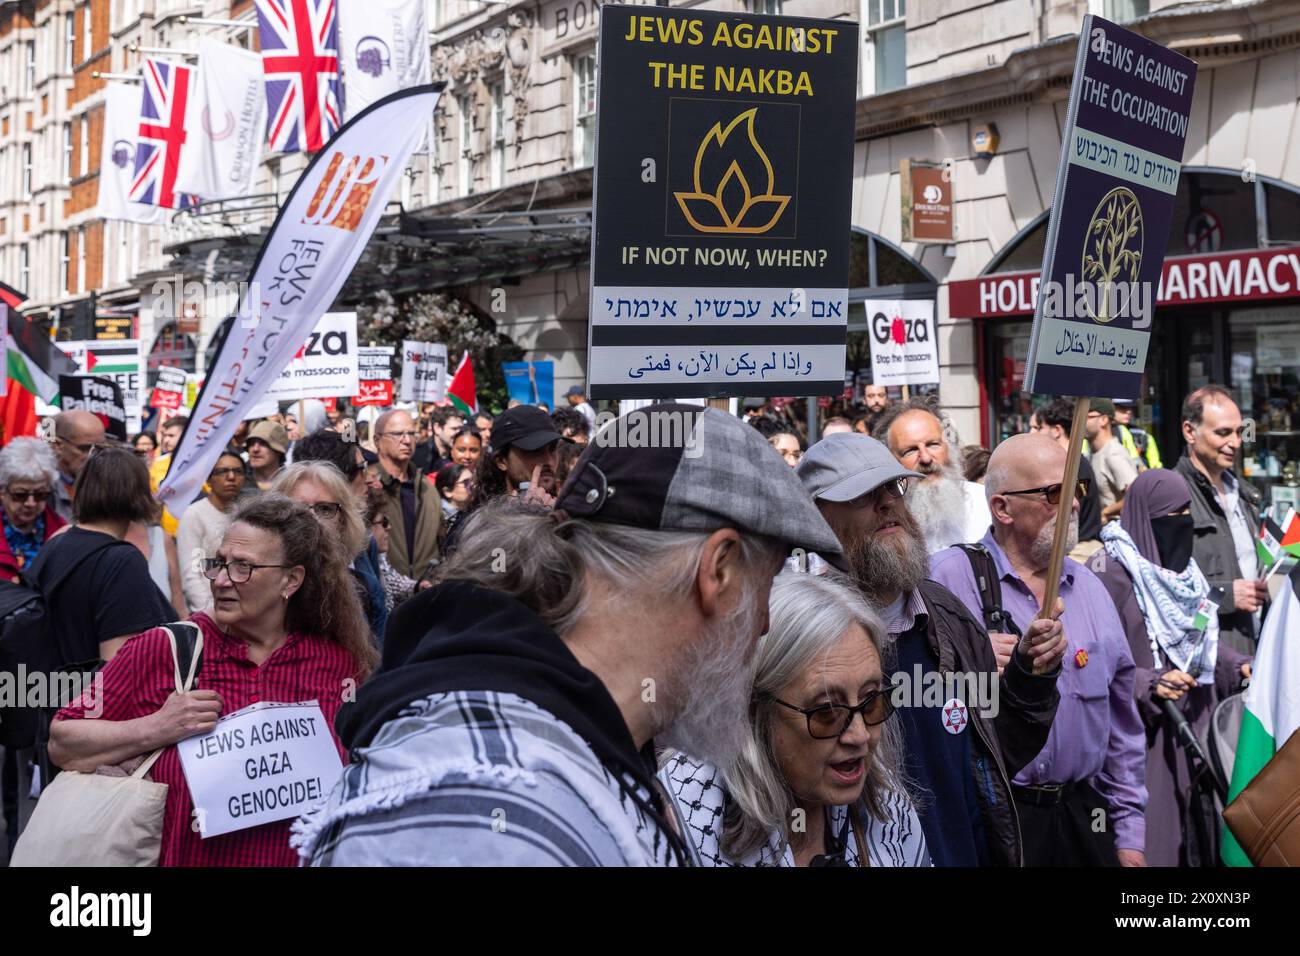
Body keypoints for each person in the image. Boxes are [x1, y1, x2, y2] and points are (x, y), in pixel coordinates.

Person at [296, 403, 845, 866]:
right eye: (766, 585)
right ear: (718, 571)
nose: (766, 624)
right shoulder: (488, 808)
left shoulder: (572, 748)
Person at [48, 494, 373, 867]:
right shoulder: (165, 649)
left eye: (242, 568)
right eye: (219, 563)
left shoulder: (336, 663)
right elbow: (63, 740)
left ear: (291, 580)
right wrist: (156, 727)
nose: (220, 580)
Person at [795, 433, 1063, 866]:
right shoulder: (803, 638)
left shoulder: (945, 616)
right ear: (818, 521)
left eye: (892, 487)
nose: (887, 504)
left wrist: (1030, 675)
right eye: (863, 495)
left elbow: (1000, 750)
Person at [930, 434, 1148, 867]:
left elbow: (1122, 728)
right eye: (1053, 492)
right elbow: (909, 700)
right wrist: (968, 664)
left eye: (1076, 490)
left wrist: (1129, 837)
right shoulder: (947, 581)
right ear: (1003, 508)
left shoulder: (1090, 589)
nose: (1071, 504)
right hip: (998, 819)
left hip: (1085, 819)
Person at [660, 572, 929, 866]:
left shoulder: (886, 803)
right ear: (754, 710)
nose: (860, 735)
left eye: (870, 702)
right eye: (827, 711)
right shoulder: (676, 826)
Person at [1095, 469, 1251, 866]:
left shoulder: (1187, 575)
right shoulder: (1111, 575)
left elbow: (1201, 640)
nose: (1182, 524)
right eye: (1172, 515)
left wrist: (1240, 665)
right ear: (1147, 519)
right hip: (1146, 736)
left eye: (1187, 513)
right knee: (1159, 844)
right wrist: (1149, 683)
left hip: (1195, 723)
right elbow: (1098, 661)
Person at [1174, 386, 1264, 655]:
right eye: (1223, 433)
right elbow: (1162, 592)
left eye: (1239, 432)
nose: (1235, 442)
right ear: (1190, 431)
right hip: (1210, 655)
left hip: (1256, 645)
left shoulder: (1245, 494)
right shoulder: (1173, 497)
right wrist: (1224, 597)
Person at [272, 462, 386, 646]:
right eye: (298, 510)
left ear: (343, 520)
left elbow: (380, 665)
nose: (312, 518)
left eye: (325, 509)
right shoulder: (256, 583)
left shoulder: (366, 588)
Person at [874, 398, 993, 553]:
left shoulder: (985, 502)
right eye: (910, 450)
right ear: (891, 461)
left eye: (933, 444)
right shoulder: (884, 523)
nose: (925, 458)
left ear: (950, 447)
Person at [1030, 398, 1104, 561]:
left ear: (1056, 430)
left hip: (1079, 552)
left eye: (1039, 427)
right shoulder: (1072, 462)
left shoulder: (1071, 465)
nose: (1033, 433)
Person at [372, 408, 441, 580]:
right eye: (397, 434)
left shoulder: (426, 486)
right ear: (377, 440)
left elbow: (441, 539)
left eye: (411, 433)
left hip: (426, 591)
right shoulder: (368, 485)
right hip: (384, 591)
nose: (407, 440)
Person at [175, 451, 246, 613]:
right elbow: (191, 574)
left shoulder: (246, 513)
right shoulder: (194, 514)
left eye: (238, 471)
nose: (231, 477)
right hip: (208, 611)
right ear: (208, 479)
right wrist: (209, 613)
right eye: (222, 471)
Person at [469, 404, 567, 510]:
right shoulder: (480, 520)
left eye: (552, 449)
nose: (548, 460)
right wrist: (533, 517)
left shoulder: (569, 511)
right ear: (501, 461)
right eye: (535, 450)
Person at [0, 437, 67, 582]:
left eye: (40, 494)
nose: (31, 503)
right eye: (20, 495)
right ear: (2, 491)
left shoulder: (62, 533)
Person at [1086, 399, 1139, 523]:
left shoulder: (1113, 454)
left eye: (1087, 416)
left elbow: (1135, 495)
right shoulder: (1096, 453)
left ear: (1104, 420)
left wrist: (1104, 513)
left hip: (1117, 533)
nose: (1079, 421)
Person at [50, 410, 106, 521]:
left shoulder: (111, 486)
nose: (93, 456)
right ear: (57, 445)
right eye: (85, 448)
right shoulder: (40, 490)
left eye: (100, 448)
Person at [412, 407, 465, 474]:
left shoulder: (462, 456)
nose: (458, 433)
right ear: (437, 428)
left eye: (461, 429)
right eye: (454, 429)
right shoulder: (417, 455)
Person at [1115, 400, 1163, 471]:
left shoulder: (1142, 434)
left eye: (1130, 407)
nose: (1128, 411)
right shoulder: (1102, 432)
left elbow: (1156, 467)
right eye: (1122, 407)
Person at [245, 420, 289, 491]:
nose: (255, 449)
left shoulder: (291, 483)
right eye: (252, 443)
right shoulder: (237, 482)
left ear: (278, 451)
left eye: (263, 443)